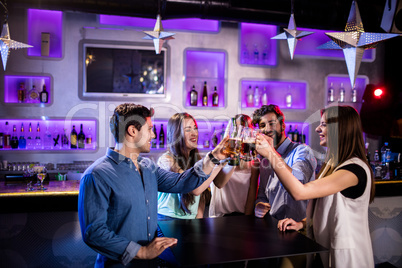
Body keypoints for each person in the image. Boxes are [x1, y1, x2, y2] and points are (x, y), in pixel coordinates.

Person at [78, 103, 228, 268]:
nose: (154, 135)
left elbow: (183, 182)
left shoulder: (148, 167)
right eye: (149, 129)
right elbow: (93, 233)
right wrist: (141, 252)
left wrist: (214, 157)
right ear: (132, 131)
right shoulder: (97, 175)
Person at [257, 106, 375, 268]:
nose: (318, 128)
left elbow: (299, 191)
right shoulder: (332, 166)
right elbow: (324, 210)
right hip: (325, 250)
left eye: (324, 125)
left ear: (340, 129)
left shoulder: (354, 169)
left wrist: (270, 153)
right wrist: (302, 224)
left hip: (349, 258)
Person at [252, 104, 317, 221]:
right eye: (262, 125)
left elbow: (298, 181)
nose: (267, 129)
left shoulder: (302, 151)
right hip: (272, 228)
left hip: (299, 229)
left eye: (272, 123)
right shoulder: (264, 159)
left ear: (282, 125)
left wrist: (270, 153)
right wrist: (259, 205)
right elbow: (262, 195)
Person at [157, 113, 222, 220]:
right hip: (166, 219)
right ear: (176, 134)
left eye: (195, 128)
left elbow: (202, 194)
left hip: (189, 219)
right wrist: (216, 161)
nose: (194, 133)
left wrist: (198, 218)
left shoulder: (197, 160)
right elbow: (193, 188)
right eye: (188, 130)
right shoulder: (166, 160)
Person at [209, 114, 259, 217]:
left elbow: (252, 194)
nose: (237, 135)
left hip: (241, 216)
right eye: (234, 130)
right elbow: (219, 183)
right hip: (218, 217)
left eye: (241, 131)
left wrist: (247, 219)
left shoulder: (254, 163)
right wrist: (233, 159)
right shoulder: (215, 156)